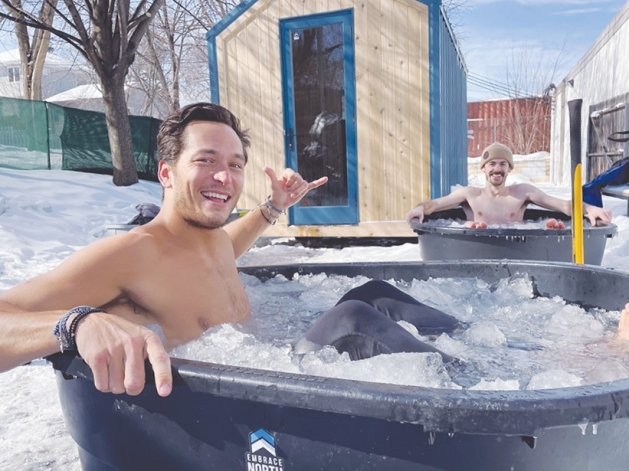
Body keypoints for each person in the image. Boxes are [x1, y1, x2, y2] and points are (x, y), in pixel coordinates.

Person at [0, 102, 458, 398]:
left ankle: (488, 357)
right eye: (206, 161)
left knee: (374, 289)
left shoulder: (211, 239)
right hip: (239, 409)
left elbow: (229, 248)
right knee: (352, 317)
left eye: (235, 165)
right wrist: (77, 322)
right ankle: (471, 393)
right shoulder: (129, 254)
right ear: (166, 173)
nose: (224, 178)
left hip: (277, 366)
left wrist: (274, 206)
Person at [405, 142, 612, 229]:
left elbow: (564, 206)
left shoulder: (522, 192)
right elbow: (433, 205)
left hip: (516, 252)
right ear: (483, 169)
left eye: (503, 164)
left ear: (509, 168)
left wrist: (590, 208)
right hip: (476, 253)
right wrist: (419, 208)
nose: (497, 168)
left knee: (553, 225)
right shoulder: (470, 194)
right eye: (491, 164)